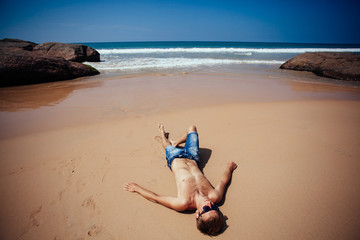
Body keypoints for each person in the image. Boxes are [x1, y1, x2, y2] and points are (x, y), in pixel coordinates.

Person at [124, 124, 237, 235]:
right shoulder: (214, 195)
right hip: (192, 157)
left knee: (167, 146)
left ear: (197, 214)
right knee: (192, 128)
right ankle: (177, 141)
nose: (209, 203)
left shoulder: (183, 202)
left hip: (174, 157)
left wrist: (137, 189)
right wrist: (229, 168)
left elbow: (157, 198)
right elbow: (223, 181)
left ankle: (162, 134)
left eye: (207, 208)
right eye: (215, 207)